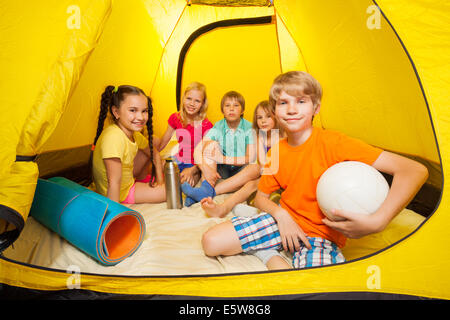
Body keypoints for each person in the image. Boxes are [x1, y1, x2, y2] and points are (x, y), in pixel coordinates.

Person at [201, 71, 429, 270]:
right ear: (274, 111)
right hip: (284, 219)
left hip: (321, 234)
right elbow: (261, 198)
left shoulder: (335, 143)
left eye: (301, 101)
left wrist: (379, 221)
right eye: (283, 103)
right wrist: (281, 216)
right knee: (211, 242)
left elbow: (414, 171)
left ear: (316, 108)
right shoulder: (276, 151)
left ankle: (270, 248)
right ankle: (267, 252)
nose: (291, 109)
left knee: (312, 286)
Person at [200, 100, 282, 218]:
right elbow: (263, 162)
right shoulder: (259, 137)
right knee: (250, 185)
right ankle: (222, 208)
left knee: (256, 183)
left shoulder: (282, 136)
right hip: (268, 175)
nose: (263, 121)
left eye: (268, 116)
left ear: (276, 117)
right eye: (259, 118)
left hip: (281, 176)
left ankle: (255, 209)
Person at [91, 85, 165, 204]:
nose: (140, 117)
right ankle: (139, 188)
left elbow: (155, 154)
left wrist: (160, 181)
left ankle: (142, 180)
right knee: (169, 191)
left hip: (127, 178)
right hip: (120, 192)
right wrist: (114, 214)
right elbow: (113, 182)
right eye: (133, 110)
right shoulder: (113, 138)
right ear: (116, 112)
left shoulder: (133, 133)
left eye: (144, 111)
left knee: (154, 141)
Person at [182, 91, 256, 206]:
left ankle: (204, 192)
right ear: (222, 111)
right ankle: (206, 187)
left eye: (236, 105)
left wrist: (222, 158)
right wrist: (204, 167)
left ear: (242, 111)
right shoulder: (218, 126)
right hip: (223, 170)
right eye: (227, 106)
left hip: (241, 170)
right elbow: (198, 150)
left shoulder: (249, 127)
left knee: (255, 167)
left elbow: (249, 157)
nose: (231, 109)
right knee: (211, 145)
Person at [157, 82, 213, 187]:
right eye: (189, 99)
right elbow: (164, 139)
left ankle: (193, 177)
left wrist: (192, 170)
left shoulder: (206, 125)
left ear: (202, 104)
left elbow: (207, 156)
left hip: (196, 164)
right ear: (183, 99)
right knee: (161, 168)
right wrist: (156, 157)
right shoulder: (175, 118)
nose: (192, 104)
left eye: (197, 101)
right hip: (179, 158)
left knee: (185, 183)